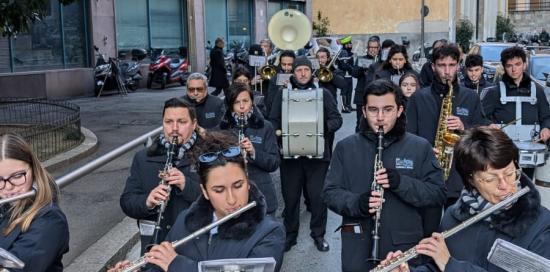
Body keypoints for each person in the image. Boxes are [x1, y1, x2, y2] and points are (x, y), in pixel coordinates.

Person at [109, 131, 286, 272]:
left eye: (238, 185)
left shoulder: (269, 232)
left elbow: (173, 264)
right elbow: (161, 267)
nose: (232, 199)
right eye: (219, 190)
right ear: (205, 192)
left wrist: (177, 265)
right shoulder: (185, 220)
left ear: (247, 181)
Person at [381, 127, 550, 272]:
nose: (505, 185)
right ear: (471, 180)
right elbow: (438, 267)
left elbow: (447, 264)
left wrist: (451, 265)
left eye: (510, 173)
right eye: (491, 179)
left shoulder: (541, 224)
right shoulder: (453, 217)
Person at [323, 80, 446, 272]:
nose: (380, 117)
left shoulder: (420, 147)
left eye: (387, 110)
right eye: (373, 110)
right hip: (357, 245)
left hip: (402, 246)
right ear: (364, 112)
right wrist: (358, 203)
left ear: (399, 111)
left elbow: (437, 194)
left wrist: (400, 183)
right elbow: (330, 193)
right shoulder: (346, 147)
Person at [268, 56, 343, 252]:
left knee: (318, 198)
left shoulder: (323, 94)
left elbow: (337, 119)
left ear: (312, 72)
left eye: (306, 70)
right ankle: (290, 236)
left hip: (318, 158)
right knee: (291, 198)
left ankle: (318, 235)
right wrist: (280, 139)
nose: (303, 73)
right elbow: (273, 120)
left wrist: (320, 129)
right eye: (299, 70)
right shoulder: (282, 93)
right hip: (290, 158)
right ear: (293, 72)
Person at [407, 44, 490, 209]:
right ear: (433, 67)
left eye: (452, 65)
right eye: (441, 65)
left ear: (458, 66)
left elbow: (482, 132)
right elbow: (408, 135)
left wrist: (463, 126)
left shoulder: (471, 97)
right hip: (427, 177)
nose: (447, 71)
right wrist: (424, 150)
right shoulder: (418, 98)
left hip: (459, 177)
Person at [120, 98, 203, 254]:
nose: (175, 129)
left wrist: (187, 185)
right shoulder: (143, 157)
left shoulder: (209, 155)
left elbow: (220, 201)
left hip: (195, 245)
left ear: (194, 124)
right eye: (169, 122)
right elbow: (127, 201)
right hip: (154, 247)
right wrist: (148, 202)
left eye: (182, 122)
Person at [0, 133, 69, 272]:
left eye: (17, 176)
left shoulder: (50, 219)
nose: (8, 187)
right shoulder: (4, 207)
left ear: (34, 170)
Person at [481, 46, 550, 178]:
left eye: (518, 64)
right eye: (509, 65)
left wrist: (546, 128)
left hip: (530, 150)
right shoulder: (494, 92)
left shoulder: (538, 90)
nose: (514, 69)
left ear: (525, 64)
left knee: (526, 188)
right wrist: (489, 125)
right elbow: (481, 117)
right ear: (504, 67)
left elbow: (546, 116)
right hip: (502, 150)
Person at [218, 83, 280, 215]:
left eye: (245, 101)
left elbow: (274, 163)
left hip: (262, 195)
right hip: (232, 200)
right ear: (230, 105)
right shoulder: (222, 130)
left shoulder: (265, 126)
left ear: (252, 102)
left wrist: (254, 153)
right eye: (236, 102)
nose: (242, 106)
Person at [352, 36, 382, 131]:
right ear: (367, 48)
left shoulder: (382, 61)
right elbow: (354, 74)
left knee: (377, 122)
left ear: (379, 48)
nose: (372, 50)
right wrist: (362, 67)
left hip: (378, 96)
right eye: (370, 47)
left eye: (375, 47)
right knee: (360, 122)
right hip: (361, 96)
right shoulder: (361, 59)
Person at [264, 50, 295, 119]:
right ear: (280, 64)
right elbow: (270, 103)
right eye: (284, 64)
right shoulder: (274, 79)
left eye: (290, 65)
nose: (286, 68)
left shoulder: (300, 78)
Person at [336, 36, 356, 113]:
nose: (351, 45)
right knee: (344, 91)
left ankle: (349, 106)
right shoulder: (343, 52)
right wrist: (352, 69)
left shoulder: (349, 52)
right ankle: (344, 107)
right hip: (344, 75)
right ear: (346, 45)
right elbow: (344, 65)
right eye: (349, 43)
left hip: (349, 75)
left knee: (350, 91)